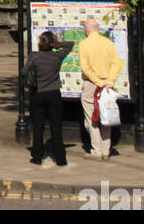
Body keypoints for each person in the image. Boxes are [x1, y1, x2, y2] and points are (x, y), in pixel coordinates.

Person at [23, 31, 71, 167]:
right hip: (53, 93)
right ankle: (60, 158)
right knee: (56, 126)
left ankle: (37, 156)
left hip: (38, 93)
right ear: (52, 43)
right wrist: (56, 44)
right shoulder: (57, 56)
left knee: (38, 126)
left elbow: (24, 72)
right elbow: (70, 45)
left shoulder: (34, 56)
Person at [79, 18, 122, 161]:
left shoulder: (84, 44)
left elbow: (85, 68)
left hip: (92, 83)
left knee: (91, 117)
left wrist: (98, 82)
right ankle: (105, 150)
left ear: (87, 29)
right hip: (107, 83)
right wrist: (109, 81)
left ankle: (96, 150)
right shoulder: (108, 43)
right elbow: (116, 63)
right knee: (106, 115)